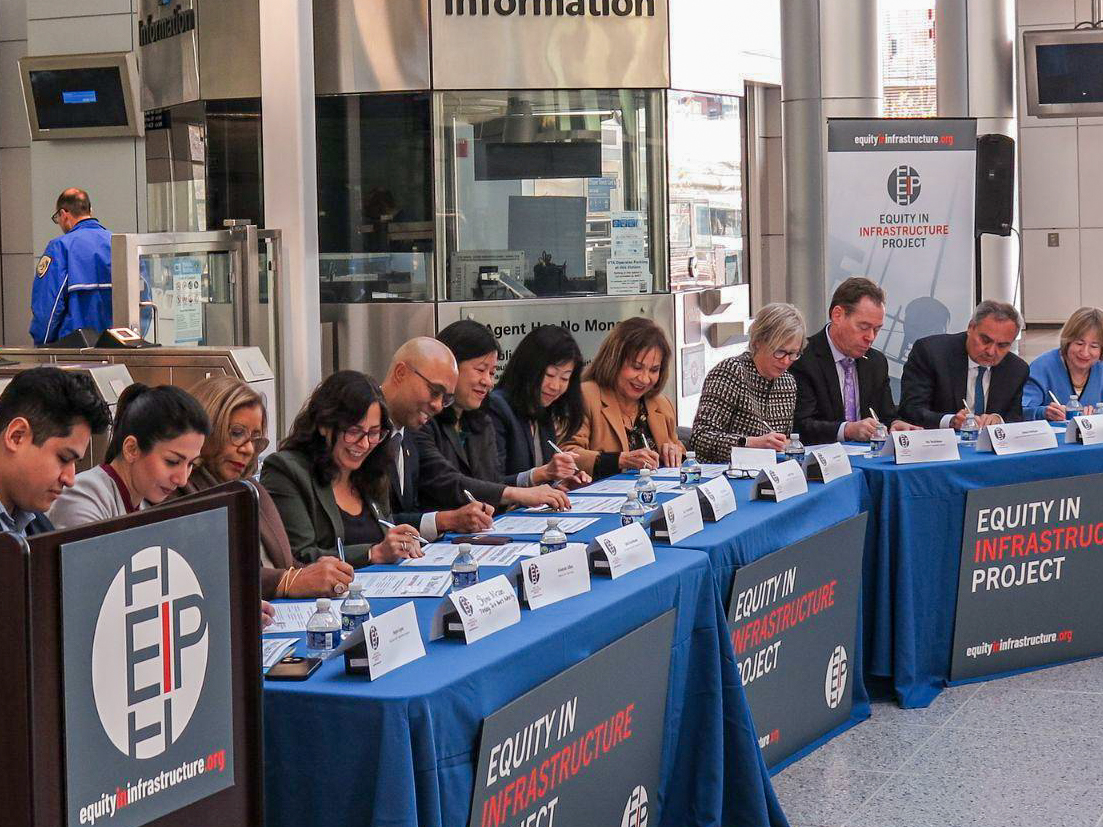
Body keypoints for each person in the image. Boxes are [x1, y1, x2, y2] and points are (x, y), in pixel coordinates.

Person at [185, 375, 355, 599]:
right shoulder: (182, 493)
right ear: (206, 429)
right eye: (236, 433)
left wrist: (320, 572)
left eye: (255, 439)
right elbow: (208, 577)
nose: (247, 449)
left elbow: (284, 563)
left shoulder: (250, 490)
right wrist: (288, 581)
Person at [261, 372, 424, 581]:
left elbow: (387, 531)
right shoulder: (286, 470)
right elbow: (299, 555)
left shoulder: (374, 470)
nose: (364, 444)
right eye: (354, 431)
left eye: (374, 433)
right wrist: (372, 553)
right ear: (324, 425)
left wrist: (402, 542)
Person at [417, 321, 571, 511]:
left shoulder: (480, 420)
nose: (488, 382)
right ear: (451, 366)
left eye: (491, 372)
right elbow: (445, 480)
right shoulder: (422, 419)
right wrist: (519, 493)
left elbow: (491, 481)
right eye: (480, 370)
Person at [48, 384, 210, 529]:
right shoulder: (82, 500)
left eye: (191, 465)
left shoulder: (142, 505)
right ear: (132, 449)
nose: (182, 480)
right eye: (172, 462)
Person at [380, 338, 496, 538]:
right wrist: (445, 520)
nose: (438, 406)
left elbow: (407, 511)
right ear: (401, 373)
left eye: (446, 399)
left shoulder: (410, 432)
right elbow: (368, 523)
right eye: (435, 392)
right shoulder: (362, 434)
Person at [791, 277, 919, 444]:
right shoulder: (802, 357)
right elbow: (800, 425)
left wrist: (895, 424)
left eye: (877, 329)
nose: (871, 337)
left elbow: (886, 416)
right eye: (864, 327)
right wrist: (848, 430)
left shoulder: (876, 362)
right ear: (837, 315)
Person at [564, 317, 684, 479]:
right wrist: (619, 460)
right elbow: (567, 454)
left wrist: (675, 452)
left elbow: (679, 451)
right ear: (614, 361)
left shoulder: (662, 404)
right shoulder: (585, 396)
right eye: (636, 367)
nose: (644, 379)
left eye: (654, 370)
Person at [0, 367, 110, 537]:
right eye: (64, 458)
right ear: (17, 436)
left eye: (75, 463)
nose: (70, 479)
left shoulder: (38, 525)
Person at [691, 303, 806, 462]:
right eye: (779, 351)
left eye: (793, 353)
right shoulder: (730, 372)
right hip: (725, 475)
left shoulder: (787, 382)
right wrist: (750, 443)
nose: (786, 361)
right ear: (758, 341)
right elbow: (701, 439)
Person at [486, 324, 590, 488]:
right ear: (529, 368)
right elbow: (490, 485)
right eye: (549, 375)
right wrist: (545, 473)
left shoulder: (544, 411)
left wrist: (560, 482)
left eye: (564, 378)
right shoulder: (496, 407)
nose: (555, 386)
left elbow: (539, 481)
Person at [899, 300, 1029, 429]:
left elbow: (1015, 418)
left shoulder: (1016, 369)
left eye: (1002, 345)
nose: (991, 351)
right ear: (971, 328)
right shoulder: (931, 353)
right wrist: (950, 421)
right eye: (985, 340)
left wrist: (998, 420)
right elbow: (911, 410)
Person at [31, 188, 114, 345]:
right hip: (116, 349)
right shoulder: (118, 244)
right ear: (90, 210)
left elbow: (48, 307)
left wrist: (41, 345)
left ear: (63, 214)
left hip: (73, 351)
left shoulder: (61, 247)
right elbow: (143, 299)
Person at [1022, 306, 1103, 421]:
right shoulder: (1042, 367)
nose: (1085, 353)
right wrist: (1044, 412)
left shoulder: (1100, 368)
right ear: (1067, 340)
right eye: (1079, 343)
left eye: (1094, 346)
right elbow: (1020, 411)